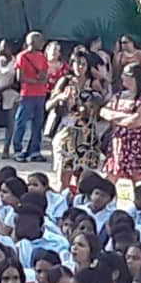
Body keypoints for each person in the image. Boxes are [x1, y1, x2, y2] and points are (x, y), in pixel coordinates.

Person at [49, 49, 106, 191]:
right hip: (67, 132)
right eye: (77, 63)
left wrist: (93, 105)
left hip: (87, 134)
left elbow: (102, 106)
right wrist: (60, 98)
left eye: (83, 64)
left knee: (85, 180)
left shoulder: (93, 83)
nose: (80, 67)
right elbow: (48, 105)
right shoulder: (65, 81)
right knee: (64, 177)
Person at [100, 63, 141, 186]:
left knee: (138, 180)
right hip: (118, 142)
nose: (122, 77)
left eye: (125, 74)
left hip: (136, 143)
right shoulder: (119, 96)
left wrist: (115, 117)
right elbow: (104, 112)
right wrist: (124, 117)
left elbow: (137, 121)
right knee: (111, 176)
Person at [12, 31, 49, 163]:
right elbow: (20, 77)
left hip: (40, 94)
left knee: (38, 124)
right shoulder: (22, 56)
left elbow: (45, 74)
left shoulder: (42, 57)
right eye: (40, 41)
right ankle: (18, 149)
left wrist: (42, 79)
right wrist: (36, 81)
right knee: (21, 122)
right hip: (27, 93)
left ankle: (34, 150)